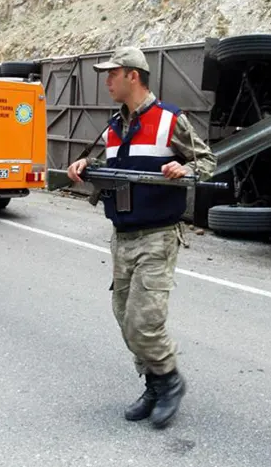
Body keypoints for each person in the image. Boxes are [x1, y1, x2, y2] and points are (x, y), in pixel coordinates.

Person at [66, 46, 217, 428]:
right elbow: (116, 171)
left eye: (111, 74)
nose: (106, 81)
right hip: (123, 236)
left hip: (158, 235)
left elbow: (208, 162)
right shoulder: (114, 126)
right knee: (124, 317)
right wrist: (87, 166)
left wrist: (183, 167)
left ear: (133, 75)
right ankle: (153, 383)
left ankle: (169, 381)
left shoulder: (169, 119)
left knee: (144, 322)